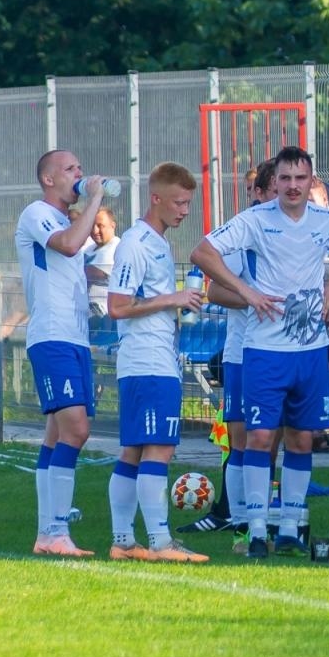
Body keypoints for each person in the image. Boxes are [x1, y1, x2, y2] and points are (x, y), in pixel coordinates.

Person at [192, 145, 329, 559]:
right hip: (263, 350)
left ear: (310, 180)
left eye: (301, 178)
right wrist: (247, 292)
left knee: (303, 439)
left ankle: (289, 527)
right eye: (285, 179)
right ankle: (255, 529)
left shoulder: (324, 220)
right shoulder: (254, 220)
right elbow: (202, 252)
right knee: (260, 438)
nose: (293, 186)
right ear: (276, 182)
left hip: (310, 349)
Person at [104, 162, 208, 562]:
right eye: (179, 202)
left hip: (152, 358)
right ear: (156, 198)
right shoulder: (135, 242)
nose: (184, 210)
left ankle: (123, 542)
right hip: (147, 361)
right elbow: (117, 306)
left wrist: (181, 302)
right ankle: (162, 542)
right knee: (158, 450)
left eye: (188, 203)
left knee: (133, 451)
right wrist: (174, 299)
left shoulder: (160, 243)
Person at [15, 149, 108, 556]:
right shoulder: (36, 212)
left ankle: (47, 533)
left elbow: (77, 262)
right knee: (77, 430)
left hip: (74, 337)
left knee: (56, 435)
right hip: (52, 337)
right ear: (49, 179)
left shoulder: (68, 220)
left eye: (81, 168)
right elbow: (69, 246)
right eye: (71, 169)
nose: (80, 174)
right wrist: (96, 201)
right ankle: (55, 530)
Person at [181, 160, 276, 540]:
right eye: (274, 186)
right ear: (260, 193)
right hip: (242, 350)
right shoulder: (244, 230)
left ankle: (271, 518)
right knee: (241, 437)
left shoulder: (303, 228)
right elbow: (215, 290)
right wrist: (254, 299)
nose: (287, 193)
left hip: (287, 351)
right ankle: (239, 520)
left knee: (277, 440)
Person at [83, 207, 119, 316]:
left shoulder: (116, 248)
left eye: (100, 226)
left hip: (105, 317)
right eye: (92, 225)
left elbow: (90, 273)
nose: (95, 231)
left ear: (112, 226)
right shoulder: (90, 248)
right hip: (88, 315)